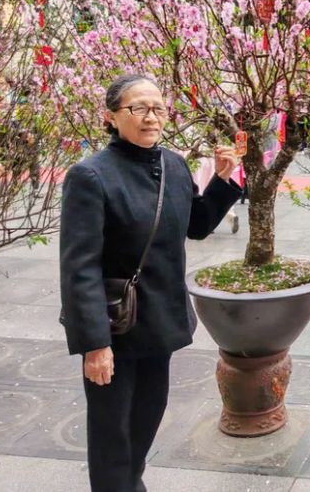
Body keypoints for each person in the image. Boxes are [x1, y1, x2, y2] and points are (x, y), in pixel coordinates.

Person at [59, 74, 242, 492]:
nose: (151, 117)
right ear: (111, 117)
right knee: (112, 434)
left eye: (158, 108)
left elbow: (195, 225)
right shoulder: (90, 176)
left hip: (159, 321)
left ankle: (130, 484)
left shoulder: (173, 164)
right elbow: (79, 267)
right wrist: (94, 344)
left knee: (146, 418)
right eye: (138, 108)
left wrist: (223, 180)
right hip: (115, 327)